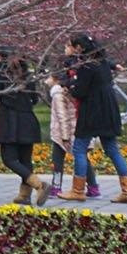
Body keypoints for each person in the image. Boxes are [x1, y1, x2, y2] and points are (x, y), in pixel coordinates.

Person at [63, 32, 127, 204]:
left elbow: (81, 91)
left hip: (92, 110)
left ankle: (78, 190)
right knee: (112, 149)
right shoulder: (102, 62)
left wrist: (69, 90)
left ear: (79, 48)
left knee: (79, 148)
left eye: (71, 45)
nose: (69, 48)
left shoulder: (86, 66)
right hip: (109, 109)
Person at [0, 56, 46, 205]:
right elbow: (34, 99)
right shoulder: (28, 77)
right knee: (25, 160)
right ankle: (25, 195)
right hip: (28, 120)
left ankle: (39, 185)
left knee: (9, 159)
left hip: (10, 122)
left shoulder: (1, 76)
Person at [46, 70, 76, 201]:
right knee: (81, 158)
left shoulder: (58, 95)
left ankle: (56, 187)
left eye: (49, 76)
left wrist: (65, 137)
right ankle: (93, 187)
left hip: (61, 134)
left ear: (56, 80)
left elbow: (62, 117)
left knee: (58, 161)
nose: (46, 79)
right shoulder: (68, 93)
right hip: (71, 131)